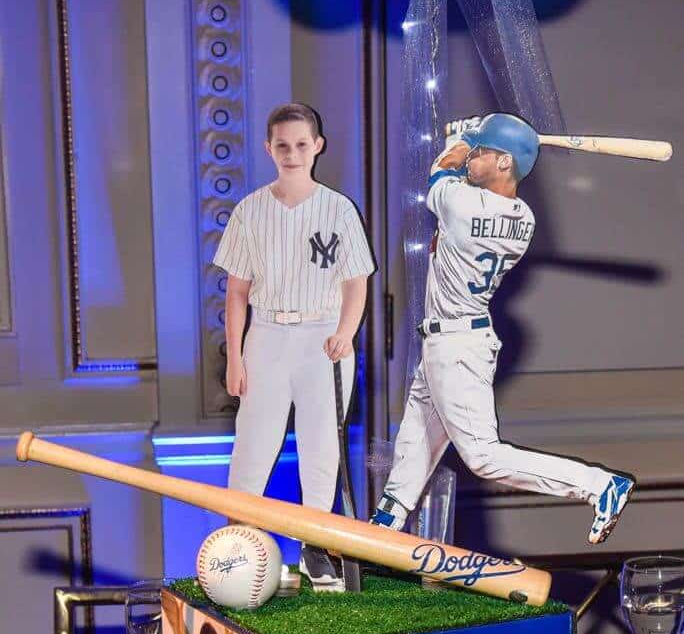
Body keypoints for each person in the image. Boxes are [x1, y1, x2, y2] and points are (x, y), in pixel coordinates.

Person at [370, 113, 634, 545]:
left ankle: (597, 484)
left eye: (483, 153)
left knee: (483, 457)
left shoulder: (462, 203)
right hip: (453, 340)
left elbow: (441, 172)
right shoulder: (524, 219)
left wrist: (458, 140)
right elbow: (458, 192)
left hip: (457, 343)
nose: (474, 158)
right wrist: (477, 138)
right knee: (418, 429)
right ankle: (389, 517)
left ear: (506, 163)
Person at [214, 102, 376, 590]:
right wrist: (236, 356)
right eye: (282, 145)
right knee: (254, 441)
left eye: (301, 144)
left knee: (321, 444)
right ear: (269, 149)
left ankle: (316, 544)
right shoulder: (250, 210)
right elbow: (236, 293)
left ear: (317, 147)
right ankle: (237, 543)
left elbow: (356, 281)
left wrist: (346, 331)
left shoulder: (338, 208)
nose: (292, 153)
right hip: (268, 333)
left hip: (322, 336)